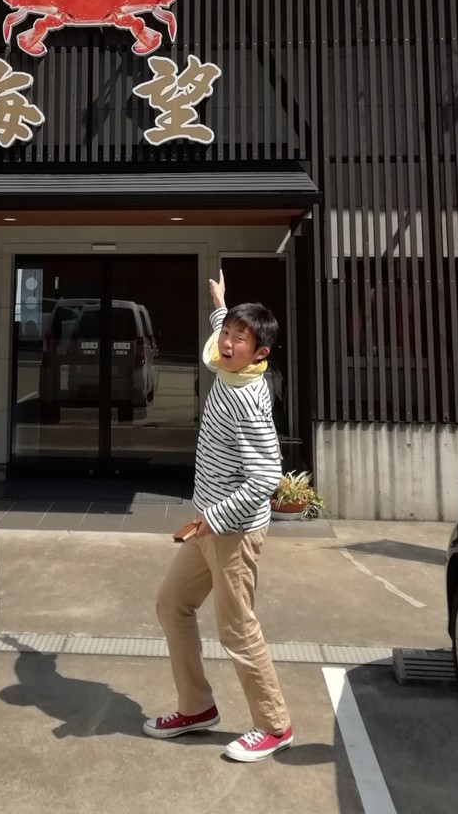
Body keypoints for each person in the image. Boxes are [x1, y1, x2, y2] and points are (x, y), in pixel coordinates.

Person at [143, 269, 293, 762]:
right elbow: (221, 337)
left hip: (233, 532)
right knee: (172, 602)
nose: (227, 343)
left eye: (239, 338)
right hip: (206, 524)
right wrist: (221, 306)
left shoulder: (247, 399)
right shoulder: (230, 369)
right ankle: (197, 707)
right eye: (227, 333)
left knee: (237, 628)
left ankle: (274, 725)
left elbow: (267, 476)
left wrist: (219, 516)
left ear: (260, 353)